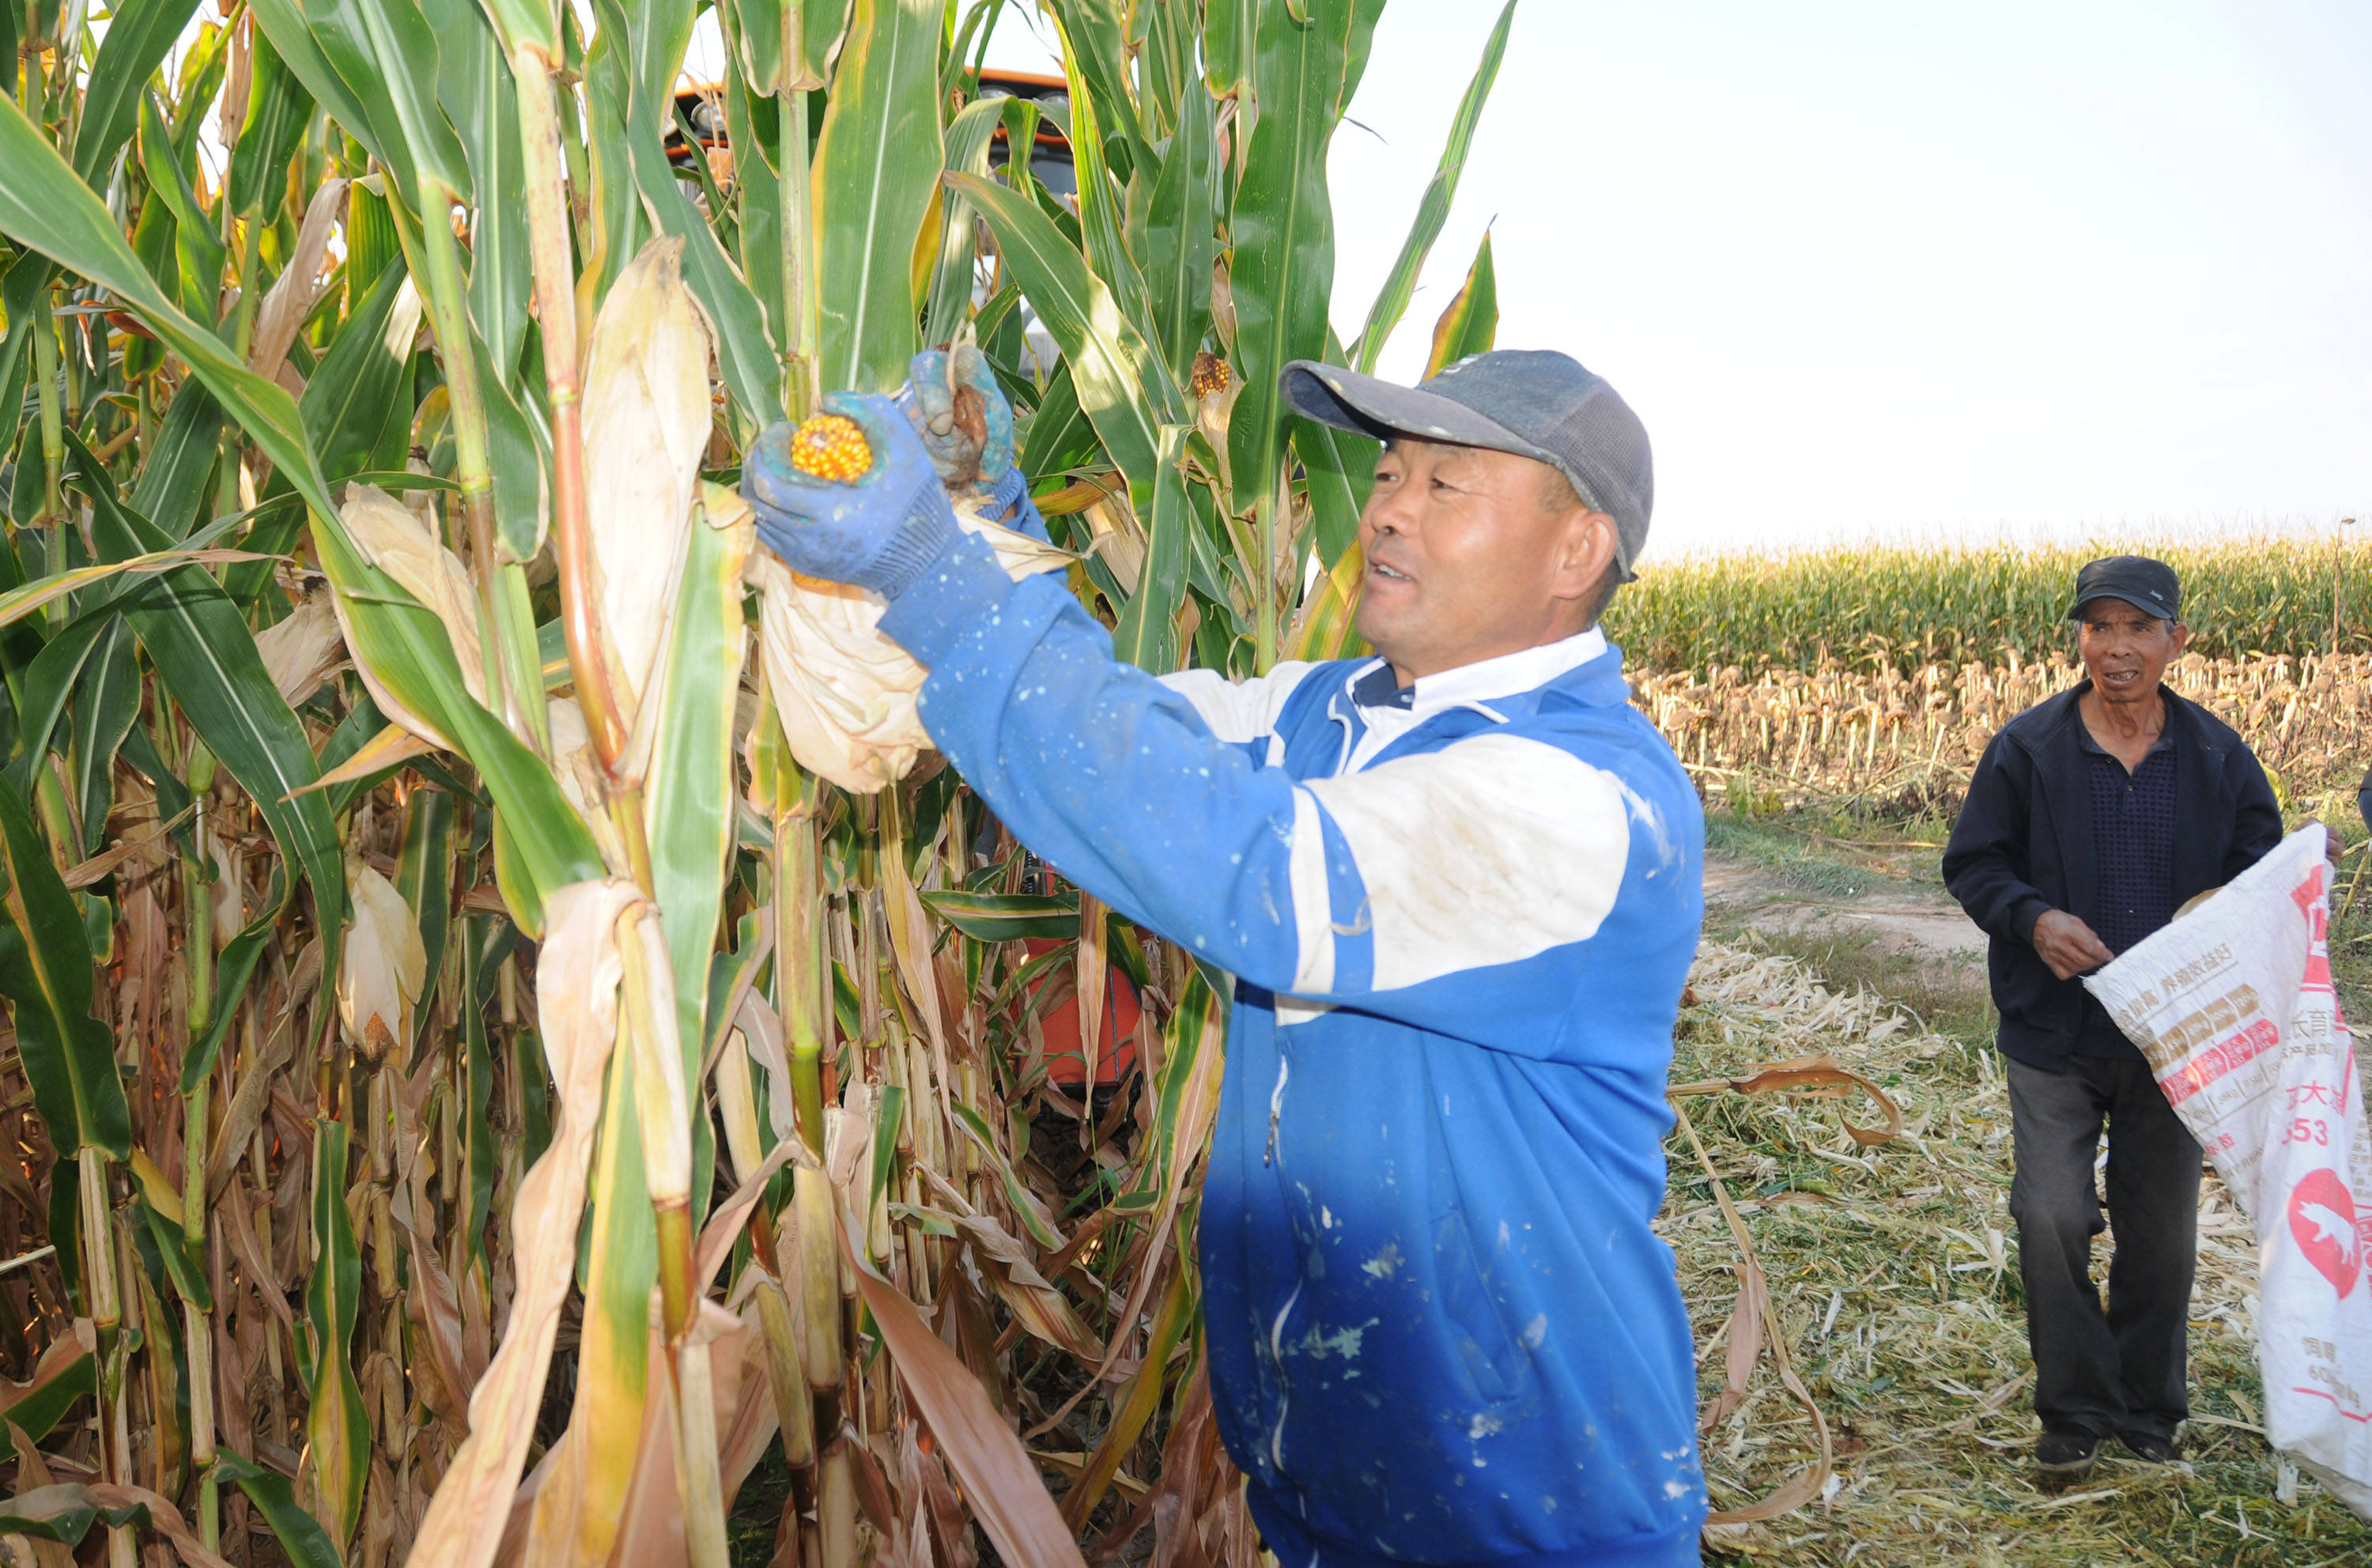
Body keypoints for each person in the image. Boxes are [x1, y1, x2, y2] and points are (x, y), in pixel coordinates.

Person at [744, 347, 1710, 1566]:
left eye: (1447, 484)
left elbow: (1253, 870)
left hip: (1526, 1504)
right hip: (1336, 1487)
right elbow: (1122, 744)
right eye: (1391, 468)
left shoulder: (1580, 799)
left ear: (1579, 553)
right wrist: (990, 525)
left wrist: (927, 572)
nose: (1390, 505)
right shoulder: (1333, 712)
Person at [1941, 557, 2282, 1490]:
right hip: (2055, 1031)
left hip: (2171, 1042)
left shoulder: (2216, 756)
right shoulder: (2029, 749)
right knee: (2050, 1214)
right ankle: (2074, 1412)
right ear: (2079, 638)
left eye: (2140, 628)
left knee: (2161, 1232)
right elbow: (1973, 865)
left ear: (2177, 641)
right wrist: (2032, 919)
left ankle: (2147, 1413)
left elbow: (2261, 880)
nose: (2118, 648)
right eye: (2100, 627)